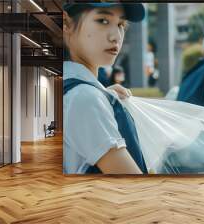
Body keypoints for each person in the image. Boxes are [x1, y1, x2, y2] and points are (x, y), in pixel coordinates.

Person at [63, 3, 146, 174]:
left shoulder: (78, 90)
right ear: (67, 24)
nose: (116, 37)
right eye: (103, 20)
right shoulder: (85, 97)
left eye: (121, 25)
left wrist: (103, 95)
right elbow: (133, 185)